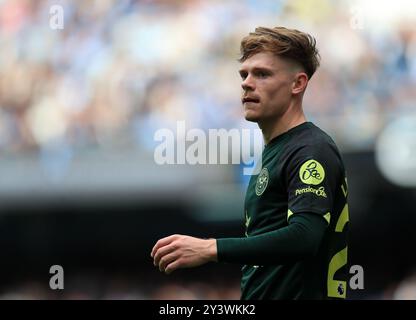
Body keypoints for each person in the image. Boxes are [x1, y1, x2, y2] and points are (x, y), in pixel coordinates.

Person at [151, 26, 349, 300]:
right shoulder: (275, 151)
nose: (246, 82)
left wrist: (210, 249)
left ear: (297, 84)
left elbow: (306, 236)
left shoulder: (310, 148)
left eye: (262, 74)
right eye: (244, 74)